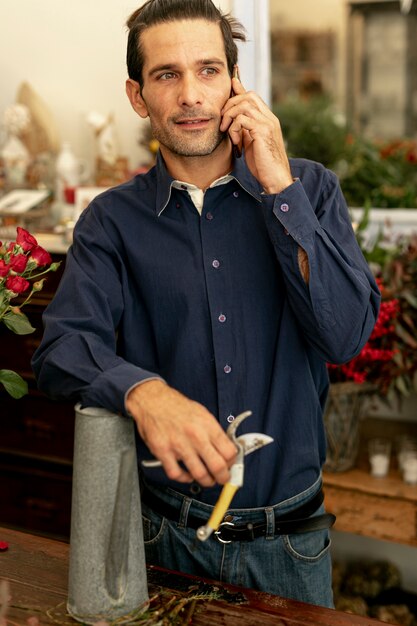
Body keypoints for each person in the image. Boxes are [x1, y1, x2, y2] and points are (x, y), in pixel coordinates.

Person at [32, 0, 380, 608]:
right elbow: (61, 349)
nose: (192, 94)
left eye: (209, 70)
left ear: (236, 83)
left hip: (290, 550)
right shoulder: (109, 222)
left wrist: (278, 186)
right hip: (162, 542)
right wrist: (144, 392)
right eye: (167, 75)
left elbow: (346, 334)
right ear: (138, 97)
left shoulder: (310, 190)